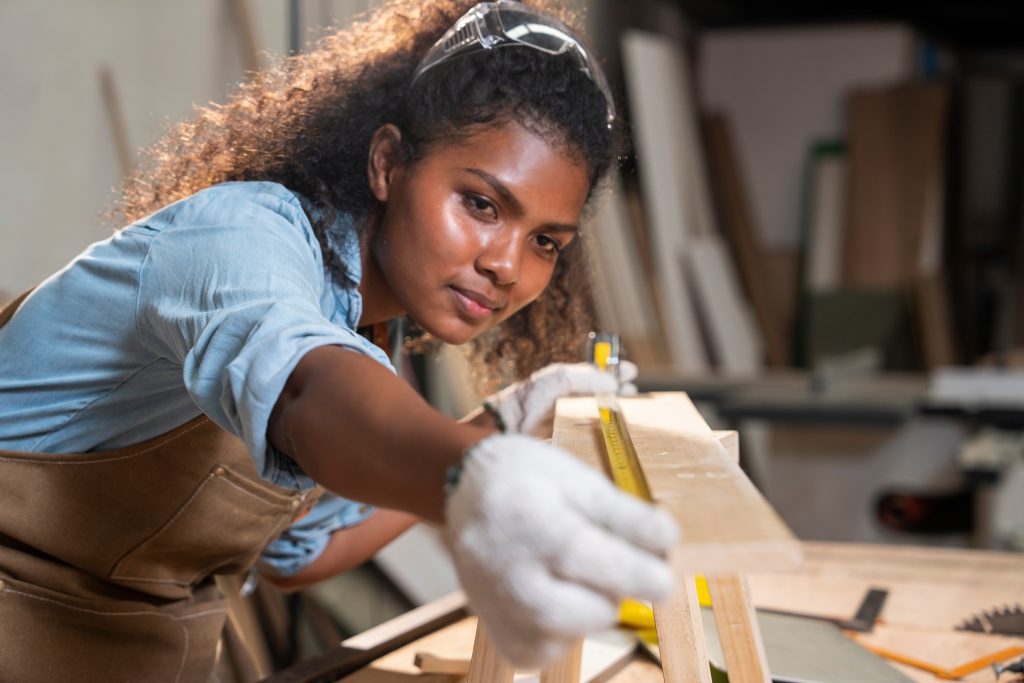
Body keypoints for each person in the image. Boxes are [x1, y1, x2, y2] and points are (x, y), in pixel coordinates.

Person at [0, 1, 678, 680]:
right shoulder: (239, 241)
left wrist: (504, 422)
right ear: (388, 164)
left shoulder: (369, 326)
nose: (507, 264)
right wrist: (471, 473)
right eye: (480, 203)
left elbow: (304, 553)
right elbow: (302, 383)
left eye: (544, 242)